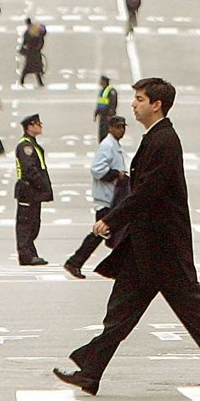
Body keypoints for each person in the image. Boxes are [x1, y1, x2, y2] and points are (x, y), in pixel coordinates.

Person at [54, 78, 200, 396]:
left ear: (156, 104)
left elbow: (148, 192)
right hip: (148, 246)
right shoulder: (156, 138)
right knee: (121, 311)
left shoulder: (165, 141)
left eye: (139, 99)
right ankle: (90, 372)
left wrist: (111, 218)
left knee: (195, 310)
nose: (133, 104)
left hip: (164, 247)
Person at [64, 116, 128, 280]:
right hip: (107, 198)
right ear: (111, 128)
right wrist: (116, 174)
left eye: (123, 127)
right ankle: (74, 262)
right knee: (101, 233)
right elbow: (97, 169)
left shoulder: (114, 145)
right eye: (119, 127)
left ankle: (78, 262)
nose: (122, 130)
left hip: (112, 197)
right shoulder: (107, 145)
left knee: (109, 234)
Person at [14, 113, 52, 266]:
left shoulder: (32, 144)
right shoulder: (26, 146)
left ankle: (30, 251)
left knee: (34, 223)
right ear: (29, 127)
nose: (40, 126)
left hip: (33, 192)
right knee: (25, 223)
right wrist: (42, 184)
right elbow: (30, 169)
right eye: (37, 123)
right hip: (28, 190)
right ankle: (25, 255)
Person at [19, 19, 46, 87]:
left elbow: (25, 43)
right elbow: (42, 37)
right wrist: (38, 48)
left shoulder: (27, 32)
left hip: (30, 52)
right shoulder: (37, 28)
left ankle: (21, 81)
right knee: (36, 68)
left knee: (27, 67)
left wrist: (22, 50)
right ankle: (40, 82)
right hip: (36, 52)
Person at [93, 76, 118, 142]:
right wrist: (96, 113)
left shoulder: (111, 91)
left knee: (107, 133)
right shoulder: (103, 91)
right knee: (102, 133)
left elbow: (113, 103)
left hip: (107, 116)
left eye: (101, 81)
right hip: (102, 115)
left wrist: (110, 114)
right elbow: (100, 104)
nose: (100, 82)